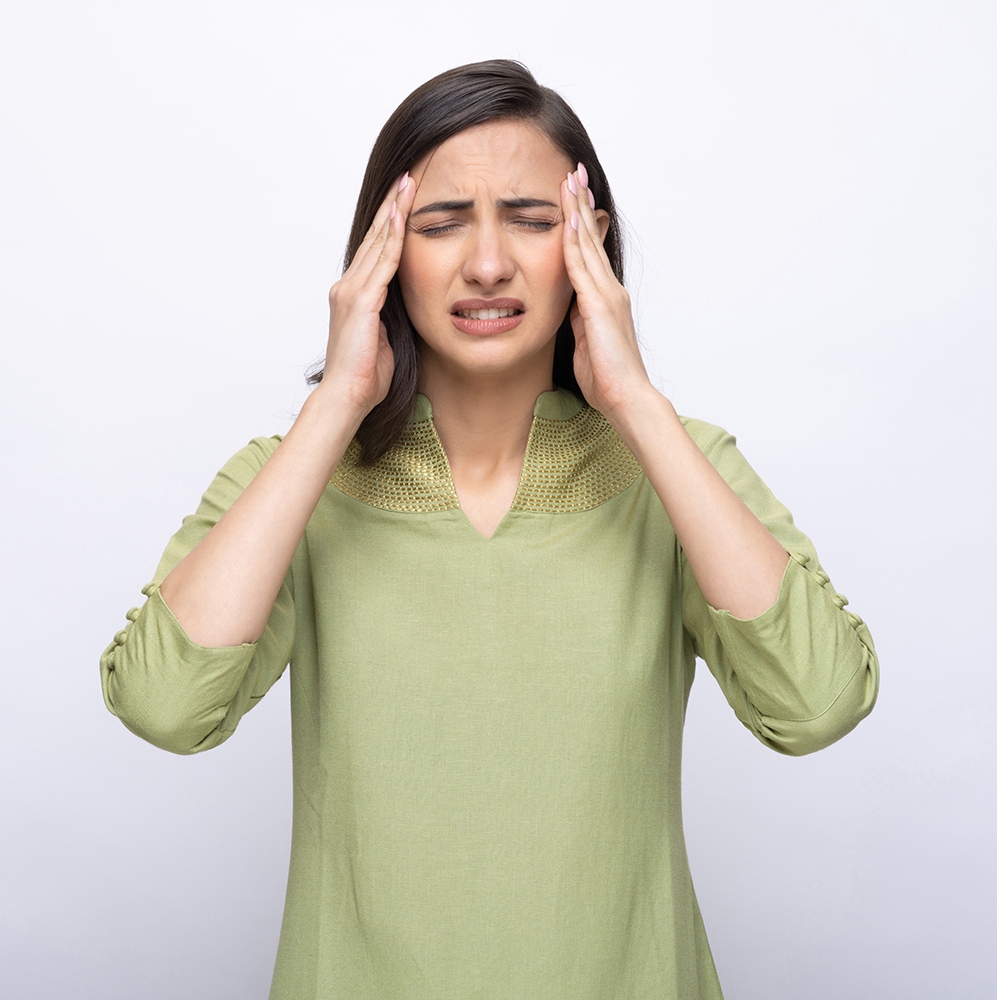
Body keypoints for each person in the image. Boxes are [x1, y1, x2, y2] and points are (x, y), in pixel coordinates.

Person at [101, 59, 878, 999]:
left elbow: (819, 701)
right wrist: (338, 404)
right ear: (379, 255)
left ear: (589, 244)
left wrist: (634, 400)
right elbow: (163, 705)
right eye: (438, 223)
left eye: (532, 218)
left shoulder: (679, 470)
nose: (486, 262)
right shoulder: (292, 482)